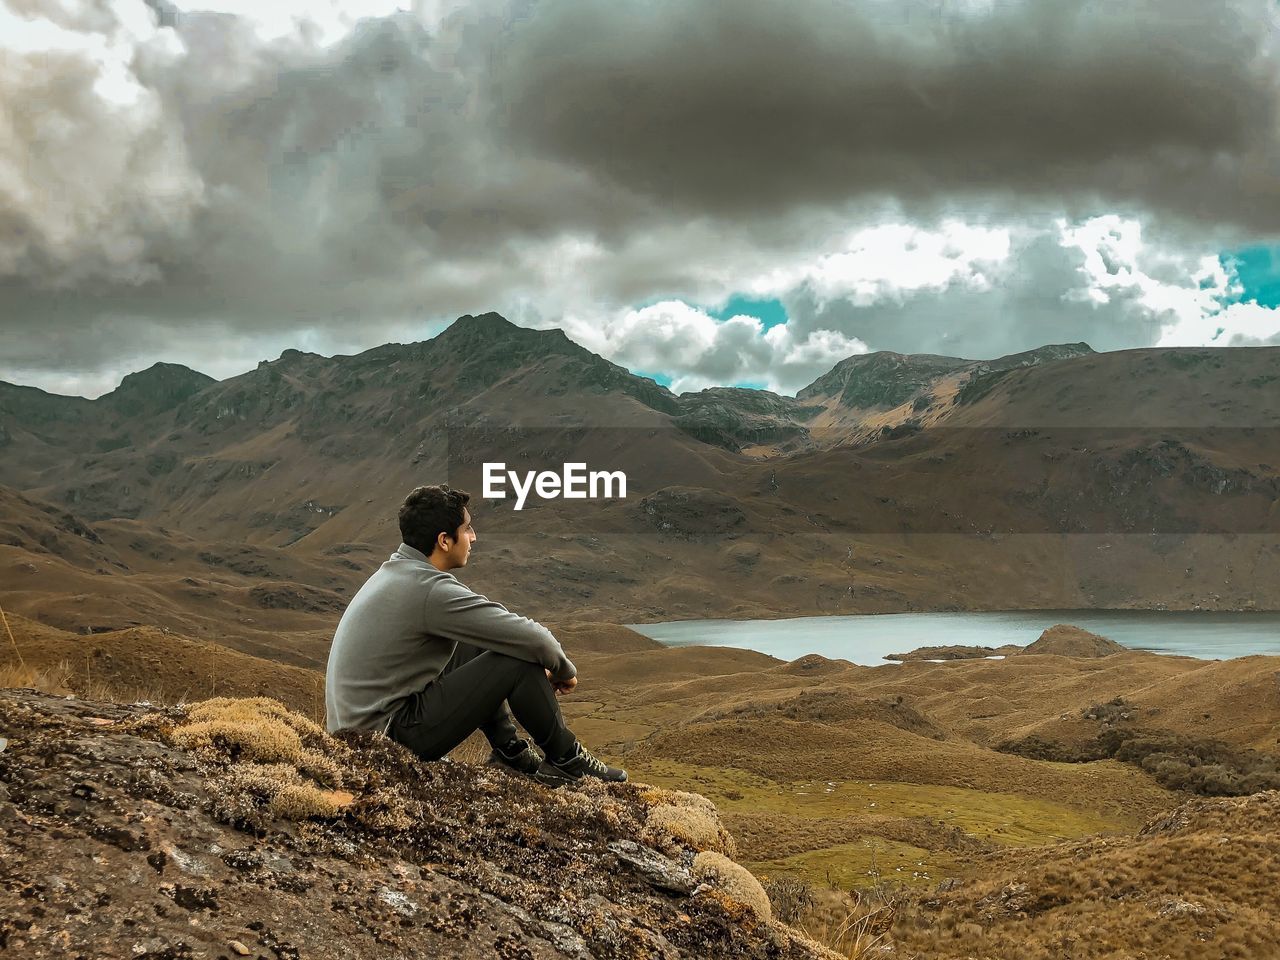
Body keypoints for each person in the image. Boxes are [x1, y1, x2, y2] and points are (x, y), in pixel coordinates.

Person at [324, 483, 626, 786]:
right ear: (444, 540)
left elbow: (500, 634)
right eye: (467, 529)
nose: (473, 537)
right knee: (516, 660)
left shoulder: (397, 572)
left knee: (475, 643)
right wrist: (564, 671)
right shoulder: (429, 590)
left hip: (360, 736)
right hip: (382, 744)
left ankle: (510, 752)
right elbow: (534, 639)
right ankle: (567, 760)